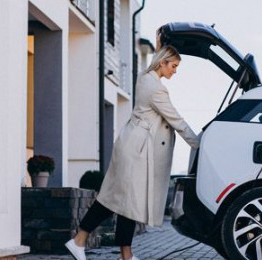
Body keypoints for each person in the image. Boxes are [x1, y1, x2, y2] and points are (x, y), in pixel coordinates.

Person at [65, 43, 200, 260]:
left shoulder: (144, 78)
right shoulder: (156, 88)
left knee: (126, 202)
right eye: (173, 66)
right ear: (163, 62)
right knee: (115, 200)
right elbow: (175, 119)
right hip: (137, 150)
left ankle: (121, 253)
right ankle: (81, 241)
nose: (175, 71)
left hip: (133, 144)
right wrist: (199, 143)